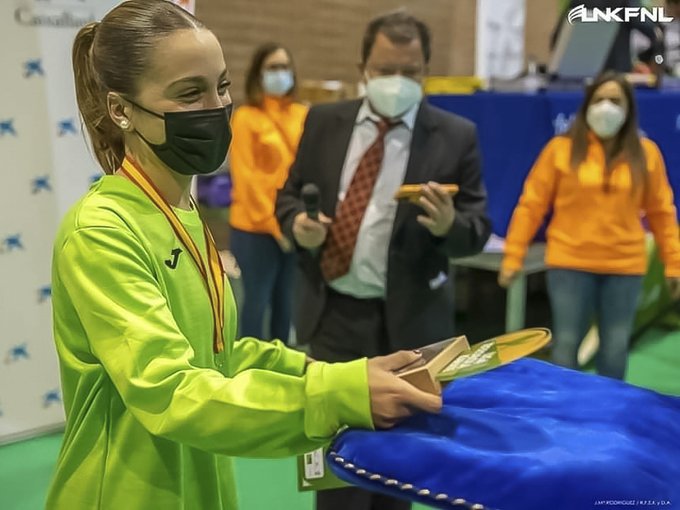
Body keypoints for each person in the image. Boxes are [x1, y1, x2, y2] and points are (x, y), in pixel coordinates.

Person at [46, 2, 441, 509]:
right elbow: (170, 391)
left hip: (199, 483)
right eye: (190, 93)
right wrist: (337, 396)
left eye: (222, 87)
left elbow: (222, 357)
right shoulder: (100, 229)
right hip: (125, 493)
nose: (215, 107)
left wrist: (345, 374)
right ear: (121, 110)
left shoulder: (180, 211)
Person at [276, 11, 491, 510]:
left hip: (409, 328)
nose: (397, 82)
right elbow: (287, 197)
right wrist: (297, 226)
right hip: (332, 318)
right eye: (385, 69)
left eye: (410, 71)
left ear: (426, 71)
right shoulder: (324, 121)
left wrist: (446, 227)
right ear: (364, 68)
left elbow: (476, 230)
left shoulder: (456, 136)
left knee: (396, 478)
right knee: (334, 478)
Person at [499, 72, 680, 380]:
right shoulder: (560, 149)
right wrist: (513, 256)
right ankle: (562, 416)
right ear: (586, 106)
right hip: (570, 262)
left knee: (614, 348)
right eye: (599, 100)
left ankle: (607, 420)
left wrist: (673, 265)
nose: (606, 107)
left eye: (615, 101)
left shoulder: (647, 154)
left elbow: (662, 213)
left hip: (625, 267)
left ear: (628, 110)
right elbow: (531, 205)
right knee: (566, 345)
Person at [229, 43, 307, 343]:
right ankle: (249, 371)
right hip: (254, 228)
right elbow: (248, 180)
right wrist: (278, 226)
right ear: (258, 74)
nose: (280, 73)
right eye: (272, 67)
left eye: (284, 66)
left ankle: (282, 369)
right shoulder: (246, 118)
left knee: (286, 303)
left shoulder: (302, 115)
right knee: (255, 303)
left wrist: (295, 221)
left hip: (292, 224)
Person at [552, 0, 664, 74]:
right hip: (616, 78)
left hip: (576, 75)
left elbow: (556, 41)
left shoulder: (576, 2)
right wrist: (654, 61)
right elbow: (654, 32)